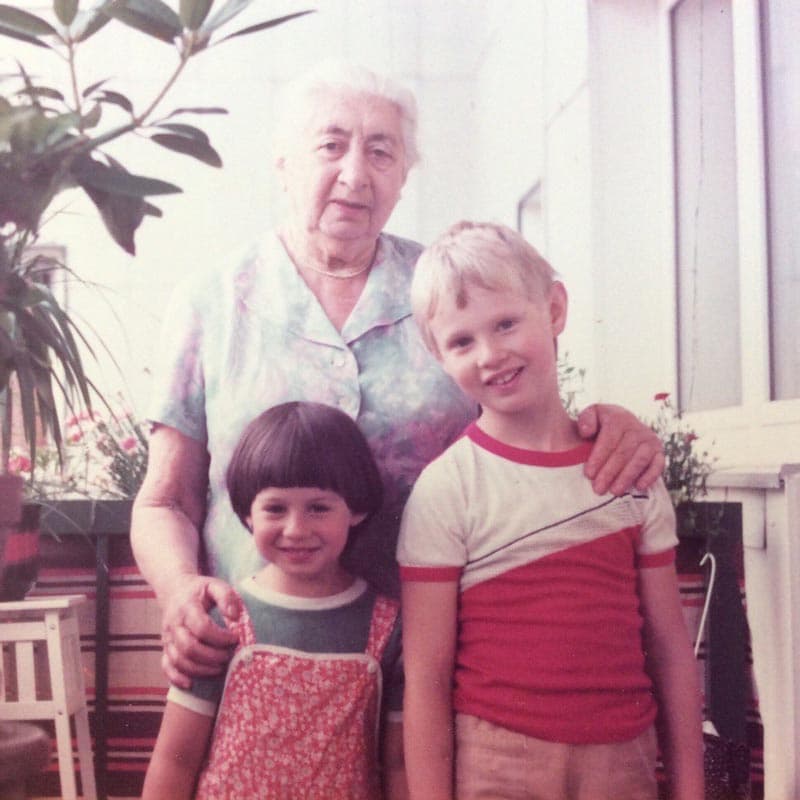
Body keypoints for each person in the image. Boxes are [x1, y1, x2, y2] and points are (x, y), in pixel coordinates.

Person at [130, 60, 666, 690]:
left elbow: (527, 423)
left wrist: (608, 427)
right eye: (331, 145)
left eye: (381, 152)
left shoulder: (444, 292)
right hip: (253, 658)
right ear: (284, 163)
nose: (355, 174)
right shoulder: (212, 301)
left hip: (430, 666)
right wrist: (180, 590)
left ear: (403, 177)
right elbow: (166, 499)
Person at [397, 221, 704, 800]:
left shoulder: (628, 471)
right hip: (494, 761)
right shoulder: (447, 489)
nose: (491, 354)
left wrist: (692, 790)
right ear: (437, 355)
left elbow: (670, 650)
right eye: (462, 342)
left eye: (506, 323)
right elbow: (428, 679)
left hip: (623, 758)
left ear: (555, 309)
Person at [142, 401, 406, 800]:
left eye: (319, 508)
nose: (296, 529)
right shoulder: (223, 618)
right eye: (275, 509)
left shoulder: (387, 626)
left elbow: (399, 761)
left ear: (356, 509)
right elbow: (175, 759)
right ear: (248, 513)